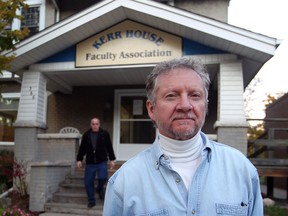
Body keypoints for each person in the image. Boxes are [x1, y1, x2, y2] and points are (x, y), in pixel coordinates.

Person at [103, 57, 263, 215]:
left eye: (195, 95)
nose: (185, 105)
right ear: (151, 108)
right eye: (171, 95)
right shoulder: (124, 182)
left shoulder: (242, 169)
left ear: (205, 106)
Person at [76, 117, 116, 208]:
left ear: (99, 124)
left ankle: (99, 188)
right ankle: (91, 200)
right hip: (90, 163)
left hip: (101, 161)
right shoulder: (86, 135)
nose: (95, 126)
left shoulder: (104, 134)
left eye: (96, 124)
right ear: (91, 125)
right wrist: (79, 159)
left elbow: (109, 147)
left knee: (103, 177)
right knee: (88, 182)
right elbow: (82, 148)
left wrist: (112, 159)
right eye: (93, 124)